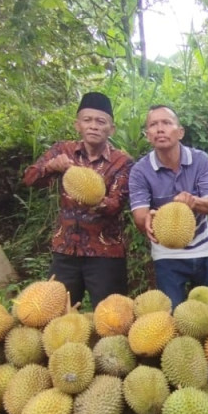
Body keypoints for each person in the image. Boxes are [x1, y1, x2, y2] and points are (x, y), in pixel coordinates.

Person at [23, 91, 132, 307]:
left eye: (100, 122)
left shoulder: (122, 162)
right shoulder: (62, 151)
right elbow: (29, 178)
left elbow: (116, 204)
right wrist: (51, 167)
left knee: (112, 316)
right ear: (77, 125)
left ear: (111, 129)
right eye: (87, 120)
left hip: (105, 253)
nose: (93, 126)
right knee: (58, 313)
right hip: (65, 249)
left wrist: (92, 198)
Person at [129, 105, 208, 307]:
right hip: (166, 252)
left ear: (180, 132)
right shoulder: (140, 170)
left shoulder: (200, 160)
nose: (160, 129)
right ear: (147, 135)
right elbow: (140, 215)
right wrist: (147, 219)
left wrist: (194, 201)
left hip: (204, 248)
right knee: (171, 315)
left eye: (166, 123)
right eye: (153, 125)